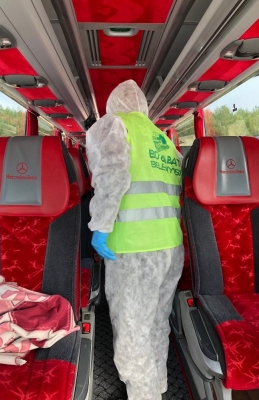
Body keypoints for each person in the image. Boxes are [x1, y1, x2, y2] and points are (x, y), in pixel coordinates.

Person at [86, 80, 184, 400]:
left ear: (113, 105)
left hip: (135, 250)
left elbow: (111, 175)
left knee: (131, 336)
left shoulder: (114, 126)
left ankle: (144, 395)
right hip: (171, 248)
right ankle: (158, 387)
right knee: (156, 324)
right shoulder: (162, 139)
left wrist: (101, 225)